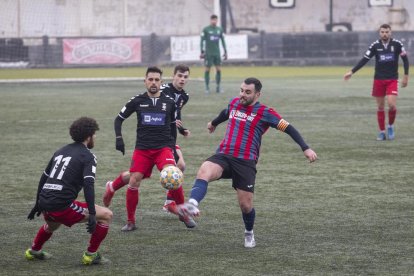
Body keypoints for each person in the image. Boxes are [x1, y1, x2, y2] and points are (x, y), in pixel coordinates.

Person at [177, 77, 318, 248]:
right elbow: (226, 112)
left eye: (247, 92)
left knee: (245, 205)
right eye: (241, 90)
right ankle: (192, 204)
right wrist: (214, 123)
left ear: (257, 94)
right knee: (204, 170)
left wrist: (306, 148)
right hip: (224, 155)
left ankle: (249, 232)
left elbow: (288, 128)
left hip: (245, 162)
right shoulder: (235, 103)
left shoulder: (266, 113)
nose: (242, 95)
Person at [111, 66, 195, 231]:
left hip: (163, 148)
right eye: (150, 79)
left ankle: (183, 214)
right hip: (142, 149)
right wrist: (119, 139)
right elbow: (118, 119)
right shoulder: (137, 100)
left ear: (161, 82)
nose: (153, 82)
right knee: (134, 180)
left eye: (157, 80)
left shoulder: (170, 103)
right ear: (145, 81)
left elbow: (172, 126)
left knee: (174, 174)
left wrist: (172, 147)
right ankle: (130, 222)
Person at [25, 117, 112, 265]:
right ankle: (91, 255)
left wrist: (37, 203)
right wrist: (91, 213)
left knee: (52, 225)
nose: (95, 137)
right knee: (106, 215)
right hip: (61, 205)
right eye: (94, 134)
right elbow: (88, 185)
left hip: (46, 202)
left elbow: (44, 177)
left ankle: (34, 251)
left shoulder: (60, 151)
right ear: (88, 136)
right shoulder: (88, 156)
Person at [344, 23, 409, 141]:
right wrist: (352, 72)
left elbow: (405, 60)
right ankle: (382, 132)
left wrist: (406, 76)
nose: (384, 34)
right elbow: (364, 59)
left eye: (387, 32)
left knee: (391, 104)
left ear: (390, 32)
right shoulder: (375, 45)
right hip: (378, 79)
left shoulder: (397, 44)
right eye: (382, 32)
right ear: (380, 33)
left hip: (392, 79)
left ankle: (390, 126)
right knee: (380, 106)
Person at [200, 14, 227, 94]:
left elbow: (223, 41)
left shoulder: (219, 29)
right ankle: (207, 88)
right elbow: (202, 41)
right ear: (210, 20)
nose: (214, 21)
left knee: (219, 70)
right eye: (213, 20)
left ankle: (218, 87)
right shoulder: (206, 29)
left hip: (217, 54)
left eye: (215, 20)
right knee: (207, 70)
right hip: (208, 54)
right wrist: (202, 50)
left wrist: (225, 51)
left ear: (217, 20)